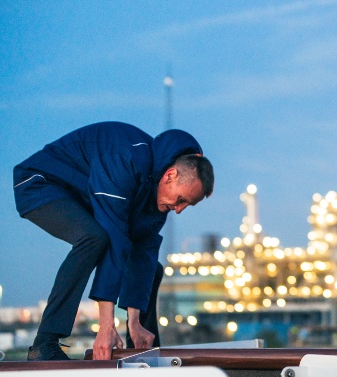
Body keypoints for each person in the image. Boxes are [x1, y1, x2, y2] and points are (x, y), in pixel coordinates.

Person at [13, 121, 214, 361]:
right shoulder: (126, 157)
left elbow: (142, 254)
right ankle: (44, 344)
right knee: (95, 238)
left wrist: (135, 322)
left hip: (83, 195)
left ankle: (140, 349)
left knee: (151, 269)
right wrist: (105, 326)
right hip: (40, 183)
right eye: (181, 199)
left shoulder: (157, 192)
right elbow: (114, 239)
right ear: (170, 175)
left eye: (187, 205)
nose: (179, 210)